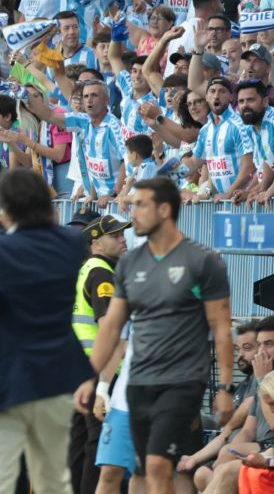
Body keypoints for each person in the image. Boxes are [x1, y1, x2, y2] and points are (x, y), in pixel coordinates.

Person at [76, 178, 235, 494]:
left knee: (158, 469)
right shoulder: (128, 264)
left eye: (140, 206)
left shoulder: (203, 262)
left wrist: (226, 388)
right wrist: (98, 383)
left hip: (176, 385)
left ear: (164, 210)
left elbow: (221, 329)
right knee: (114, 472)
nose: (132, 216)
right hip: (131, 389)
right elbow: (114, 331)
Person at [0, 169, 94, 494]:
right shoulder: (72, 243)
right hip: (58, 376)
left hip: (8, 378)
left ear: (6, 210)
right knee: (53, 478)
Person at [68, 210, 128, 494]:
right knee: (99, 446)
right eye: (114, 236)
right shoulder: (102, 272)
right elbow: (110, 329)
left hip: (80, 371)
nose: (122, 239)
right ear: (95, 243)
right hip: (100, 372)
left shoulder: (86, 269)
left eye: (123, 234)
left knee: (79, 444)